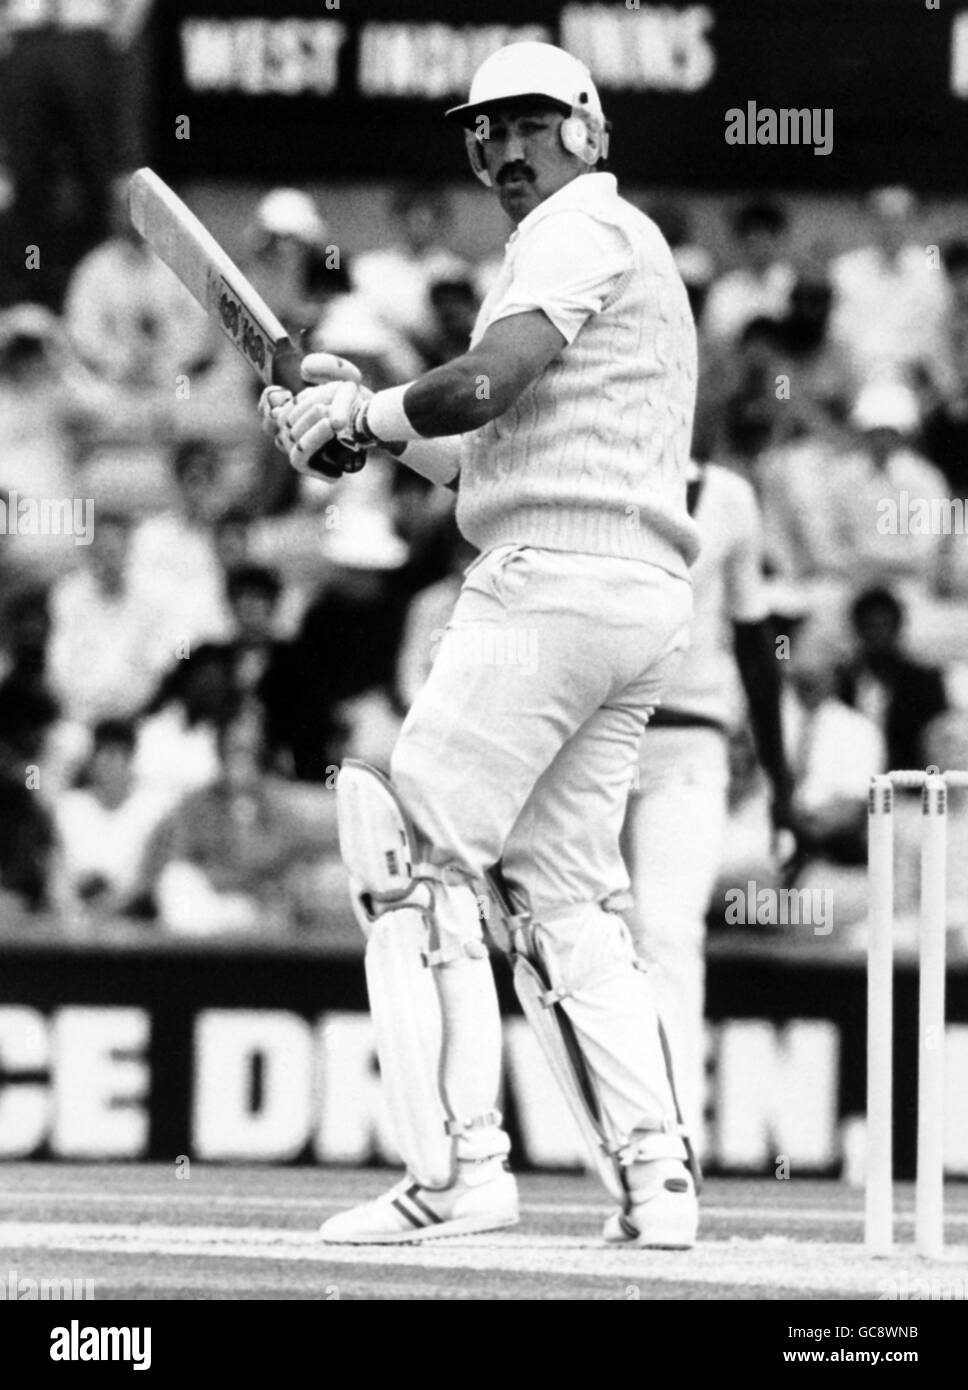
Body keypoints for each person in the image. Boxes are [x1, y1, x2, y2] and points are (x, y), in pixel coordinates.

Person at [261, 42, 701, 1248]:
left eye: (529, 125)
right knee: (563, 891)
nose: (505, 150)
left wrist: (362, 410)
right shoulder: (613, 247)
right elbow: (466, 443)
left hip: (548, 593)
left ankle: (458, 1169)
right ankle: (653, 1179)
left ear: (588, 130)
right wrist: (365, 418)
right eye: (484, 131)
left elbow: (474, 394)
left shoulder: (576, 227)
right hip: (634, 599)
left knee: (406, 848)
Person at [624, 458, 792, 1153]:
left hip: (690, 735)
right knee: (587, 930)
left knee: (670, 933)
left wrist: (781, 781)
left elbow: (754, 642)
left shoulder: (730, 496)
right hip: (591, 732)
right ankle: (613, 1126)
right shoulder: (597, 473)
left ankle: (674, 1134)